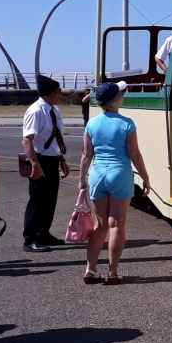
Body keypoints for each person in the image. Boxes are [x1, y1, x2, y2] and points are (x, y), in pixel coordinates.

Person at [78, 82, 150, 285]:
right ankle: (113, 272)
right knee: (116, 225)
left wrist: (82, 179)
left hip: (98, 173)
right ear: (116, 100)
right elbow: (134, 154)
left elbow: (86, 154)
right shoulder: (127, 123)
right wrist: (145, 177)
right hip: (120, 173)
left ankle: (90, 270)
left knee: (100, 226)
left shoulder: (92, 123)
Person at [21, 75, 70, 252]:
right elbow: (27, 141)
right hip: (39, 159)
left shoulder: (54, 110)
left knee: (50, 200)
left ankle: (43, 233)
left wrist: (61, 159)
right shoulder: (36, 111)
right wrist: (35, 164)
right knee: (37, 200)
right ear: (51, 92)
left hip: (51, 158)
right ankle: (30, 238)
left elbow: (56, 137)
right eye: (59, 91)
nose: (61, 94)